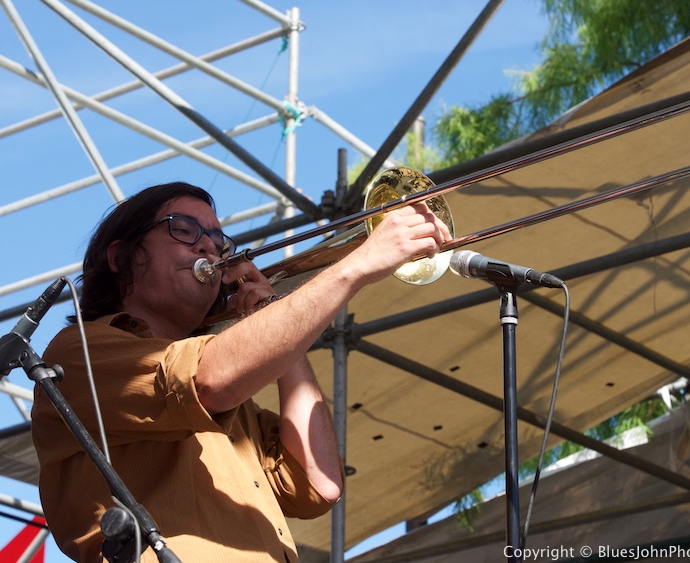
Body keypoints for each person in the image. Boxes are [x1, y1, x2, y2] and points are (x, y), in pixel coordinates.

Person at [31, 181, 450, 563]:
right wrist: (354, 267)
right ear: (121, 256)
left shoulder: (227, 395)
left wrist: (270, 311)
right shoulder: (80, 351)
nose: (208, 249)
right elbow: (208, 380)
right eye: (184, 229)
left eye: (216, 239)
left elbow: (319, 484)